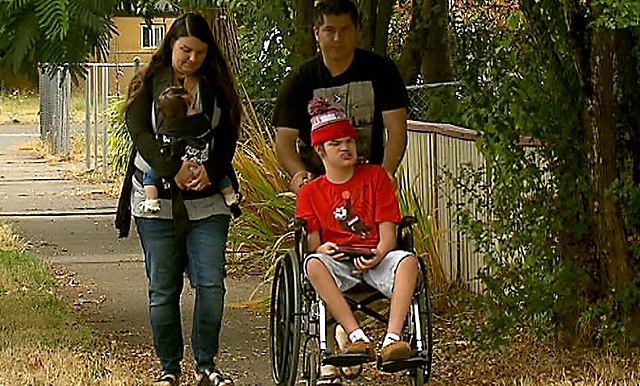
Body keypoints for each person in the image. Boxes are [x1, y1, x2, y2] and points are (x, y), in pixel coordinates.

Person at [114, 12, 240, 386]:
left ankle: (206, 364)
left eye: (199, 53)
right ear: (171, 46)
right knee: (163, 288)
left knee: (211, 284)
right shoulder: (147, 84)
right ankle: (168, 368)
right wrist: (173, 170)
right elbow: (139, 134)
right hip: (156, 199)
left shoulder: (217, 88)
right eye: (185, 50)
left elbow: (229, 137)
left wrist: (210, 171)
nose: (191, 59)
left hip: (208, 201)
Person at [295, 97, 419, 385]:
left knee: (408, 261)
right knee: (313, 263)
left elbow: (388, 231)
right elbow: (312, 241)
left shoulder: (375, 177)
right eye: (336, 142)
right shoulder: (310, 192)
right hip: (337, 259)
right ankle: (355, 336)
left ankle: (392, 340)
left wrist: (379, 253)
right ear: (320, 149)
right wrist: (321, 248)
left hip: (375, 253)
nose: (345, 147)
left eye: (349, 140)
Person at [272, 0, 408, 193]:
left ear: (358, 31)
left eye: (345, 30)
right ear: (316, 32)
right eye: (329, 30)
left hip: (369, 183)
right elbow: (284, 140)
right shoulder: (299, 80)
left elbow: (397, 128)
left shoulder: (382, 71)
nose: (337, 38)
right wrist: (299, 174)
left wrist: (386, 172)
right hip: (320, 187)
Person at [141, 86, 241, 215]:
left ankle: (151, 199)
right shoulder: (198, 124)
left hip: (186, 165)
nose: (196, 109)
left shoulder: (167, 128)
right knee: (221, 176)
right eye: (192, 107)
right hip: (194, 162)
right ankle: (230, 195)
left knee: (150, 175)